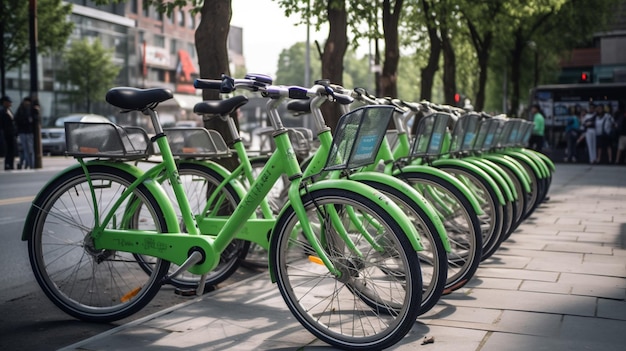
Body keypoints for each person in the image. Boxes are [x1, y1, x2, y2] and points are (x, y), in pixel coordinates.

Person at [15, 97, 38, 169]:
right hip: (25, 131)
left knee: (28, 150)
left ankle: (29, 164)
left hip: (28, 131)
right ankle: (28, 164)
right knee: (26, 149)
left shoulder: (30, 109)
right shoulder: (22, 109)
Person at [0, 96, 17, 170]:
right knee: (8, 150)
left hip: (11, 133)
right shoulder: (2, 111)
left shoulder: (9, 110)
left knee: (12, 149)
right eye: (8, 102)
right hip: (6, 133)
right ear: (4, 103)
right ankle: (8, 164)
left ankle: (11, 164)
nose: (10, 103)